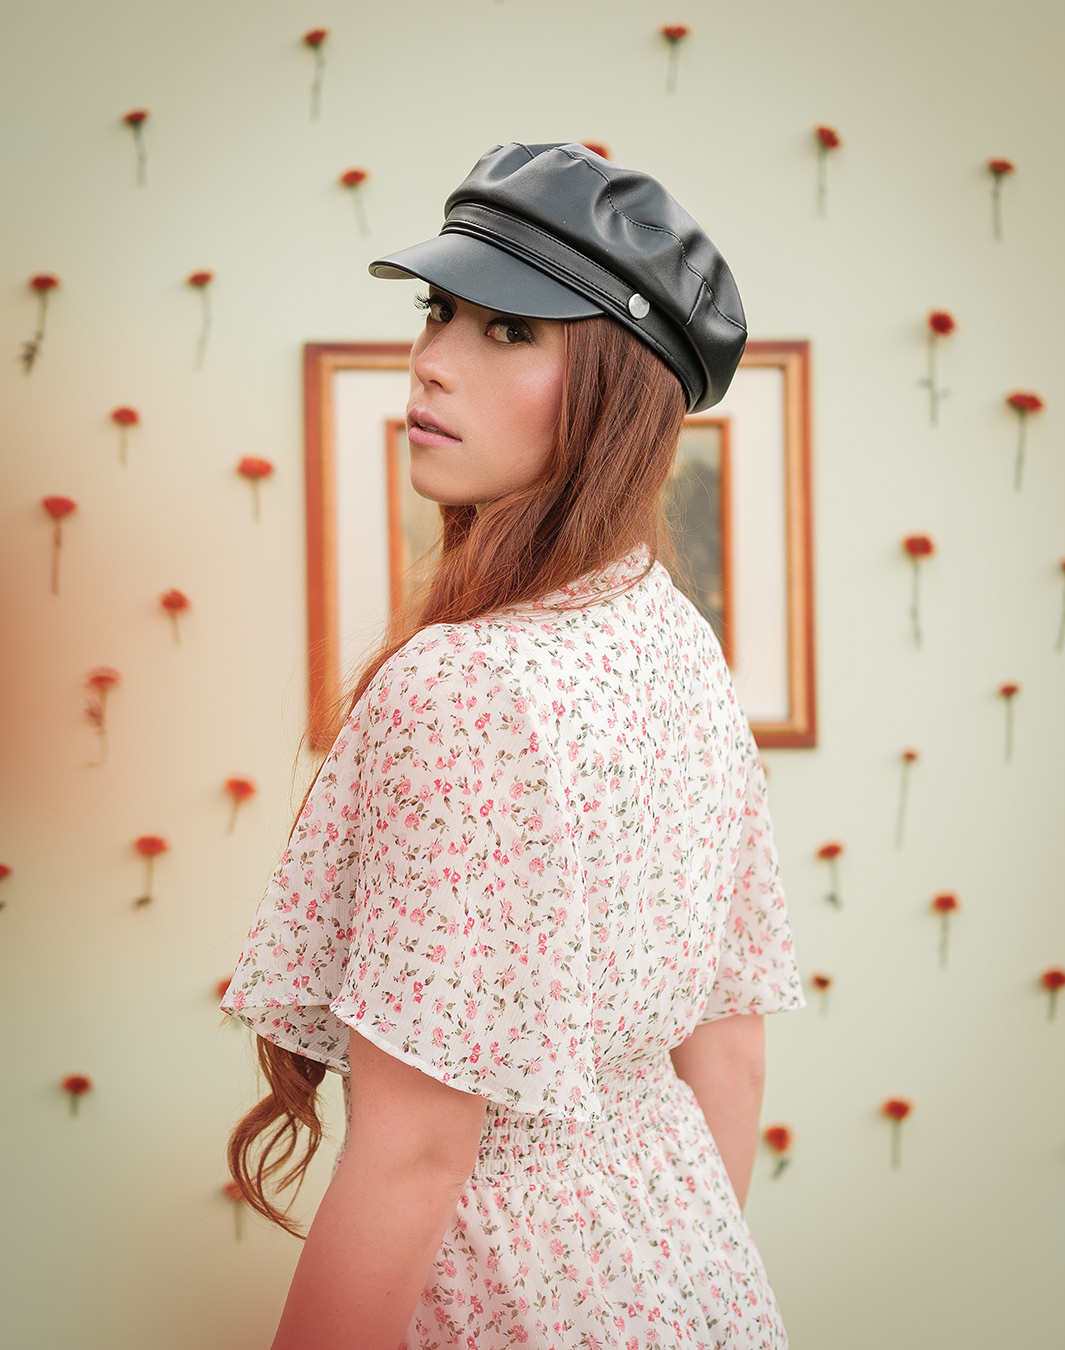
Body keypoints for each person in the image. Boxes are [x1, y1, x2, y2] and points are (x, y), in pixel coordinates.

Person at [220, 141, 805, 1350]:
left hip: (510, 1297)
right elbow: (731, 1055)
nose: (431, 359)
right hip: (699, 1279)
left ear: (617, 394)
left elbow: (416, 1154)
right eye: (439, 311)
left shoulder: (466, 688)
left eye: (510, 331)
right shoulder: (675, 638)